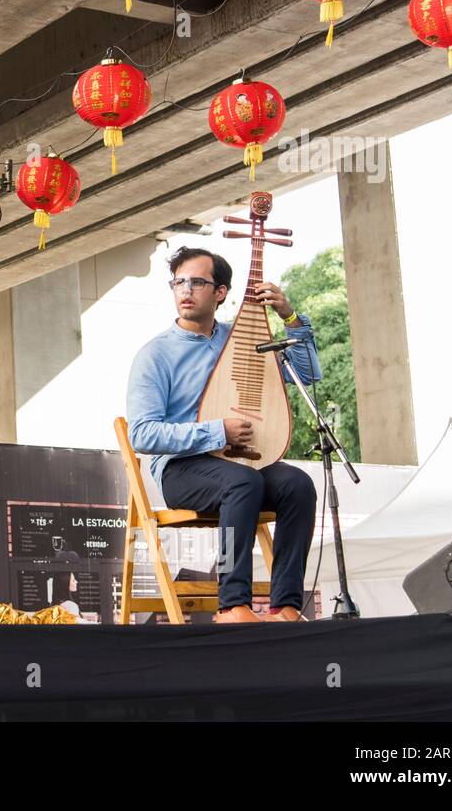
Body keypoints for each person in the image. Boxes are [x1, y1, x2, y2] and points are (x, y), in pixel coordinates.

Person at [126, 246, 321, 624]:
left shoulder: (242, 341)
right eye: (178, 282)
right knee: (243, 483)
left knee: (298, 484)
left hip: (242, 461)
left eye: (197, 282)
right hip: (184, 469)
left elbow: (307, 373)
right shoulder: (156, 355)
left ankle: (286, 606)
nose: (185, 290)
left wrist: (290, 316)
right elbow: (144, 434)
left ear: (220, 292)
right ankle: (232, 604)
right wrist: (217, 432)